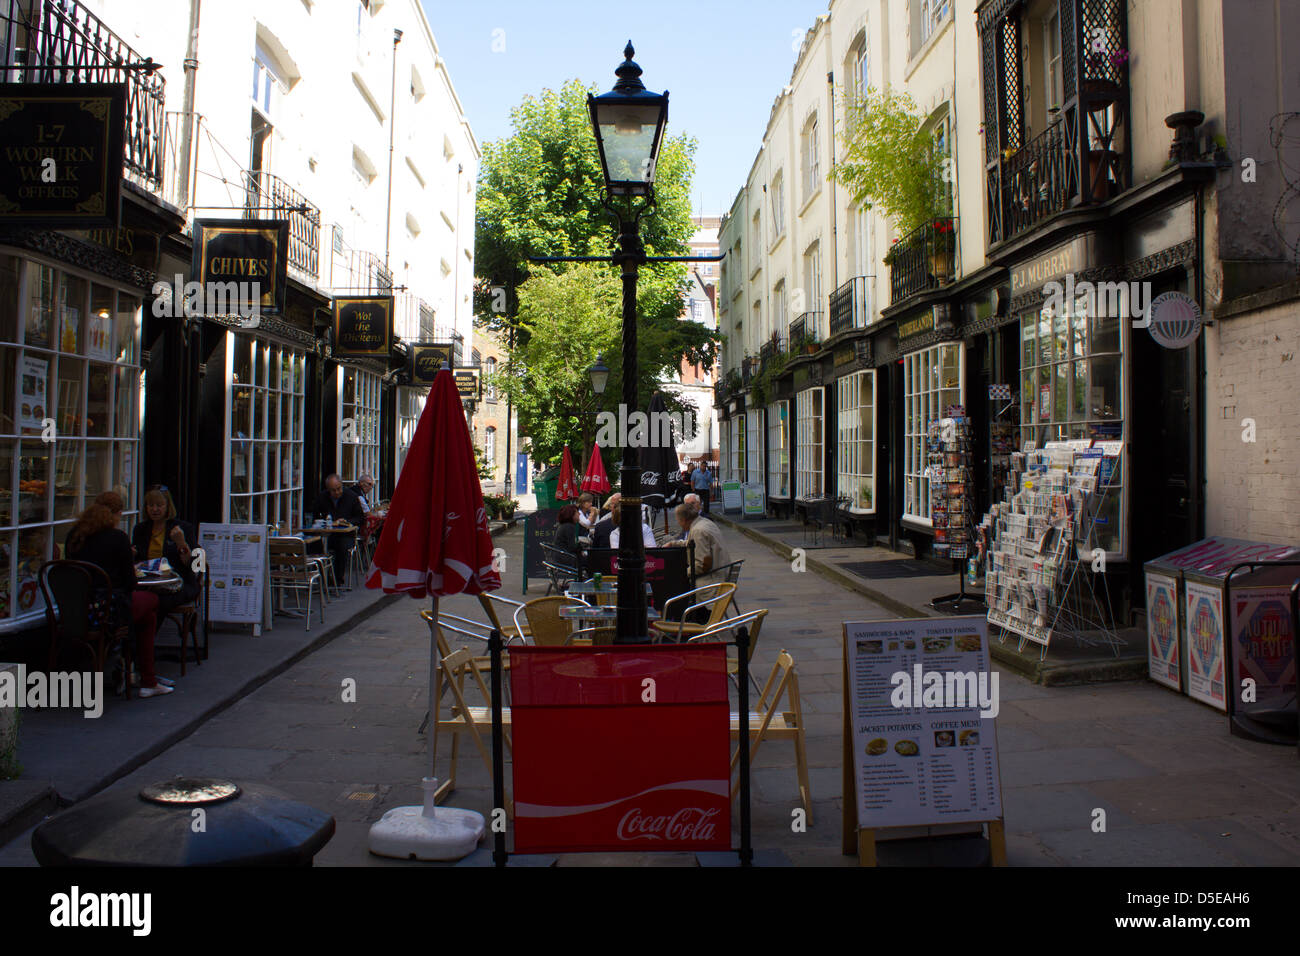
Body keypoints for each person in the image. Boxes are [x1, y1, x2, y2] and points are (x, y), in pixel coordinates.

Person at [66, 492, 173, 698]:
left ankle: (132, 670)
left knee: (145, 614)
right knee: (151, 603)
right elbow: (130, 583)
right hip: (107, 612)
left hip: (75, 610)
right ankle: (146, 678)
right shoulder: (117, 538)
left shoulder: (75, 535)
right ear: (116, 514)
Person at [130, 486, 199, 614]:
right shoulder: (140, 529)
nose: (154, 509)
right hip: (148, 582)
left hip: (178, 583)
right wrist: (132, 554)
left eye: (159, 505)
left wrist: (181, 543)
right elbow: (138, 559)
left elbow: (196, 565)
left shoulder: (184, 528)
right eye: (150, 505)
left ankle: (144, 633)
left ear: (168, 506)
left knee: (156, 601)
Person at [311, 474, 365, 582]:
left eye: (339, 489)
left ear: (342, 485)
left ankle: (337, 578)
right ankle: (321, 576)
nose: (337, 493)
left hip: (346, 534)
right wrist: (323, 521)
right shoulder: (322, 497)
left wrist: (347, 521)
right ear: (328, 490)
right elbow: (315, 515)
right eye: (333, 490)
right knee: (314, 545)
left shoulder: (352, 497)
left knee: (341, 546)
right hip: (327, 534)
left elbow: (360, 518)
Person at [670, 503, 731, 576]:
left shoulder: (698, 531)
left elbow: (701, 566)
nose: (678, 523)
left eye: (678, 520)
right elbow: (695, 543)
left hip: (711, 580)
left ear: (683, 520)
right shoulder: (705, 522)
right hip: (721, 573)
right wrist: (673, 544)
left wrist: (679, 574)